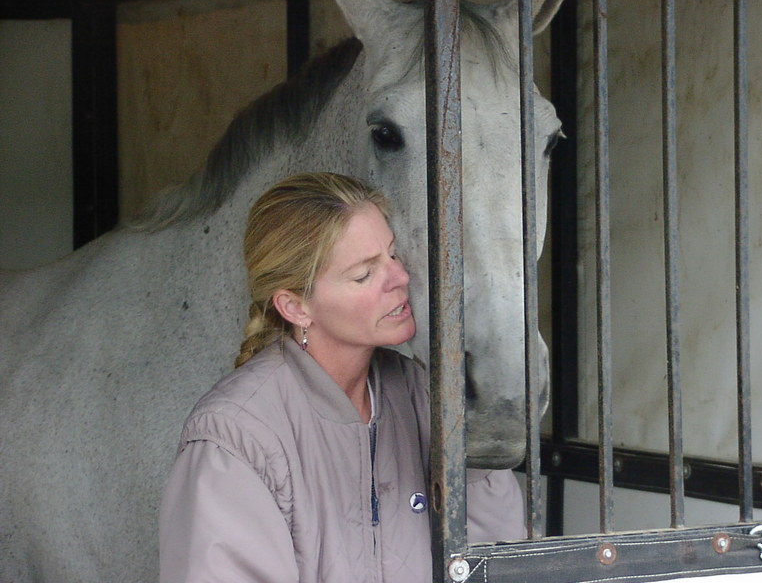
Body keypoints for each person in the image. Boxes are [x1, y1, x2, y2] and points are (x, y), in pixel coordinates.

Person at [159, 172, 525, 583]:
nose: (400, 277)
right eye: (364, 274)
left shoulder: (425, 396)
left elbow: (500, 559)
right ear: (295, 307)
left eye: (393, 254)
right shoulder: (236, 437)